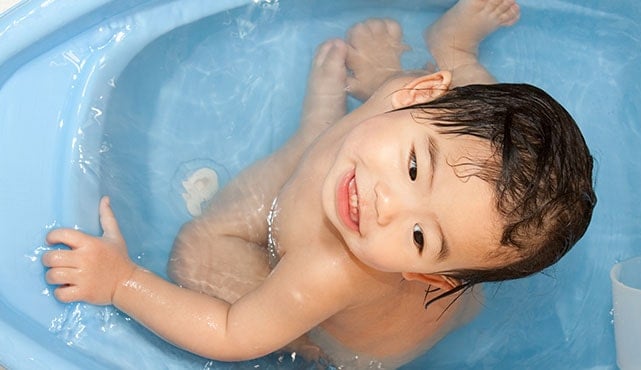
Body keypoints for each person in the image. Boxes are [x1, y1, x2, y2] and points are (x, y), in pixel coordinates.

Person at [42, 0, 596, 368]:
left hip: (349, 336)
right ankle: (453, 47)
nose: (385, 207)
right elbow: (453, 134)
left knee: (196, 251)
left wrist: (120, 283)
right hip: (385, 152)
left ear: (424, 273)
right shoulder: (413, 98)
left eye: (420, 237)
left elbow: (233, 333)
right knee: (469, 137)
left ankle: (314, 142)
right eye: (411, 171)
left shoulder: (329, 272)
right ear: (420, 92)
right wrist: (383, 79)